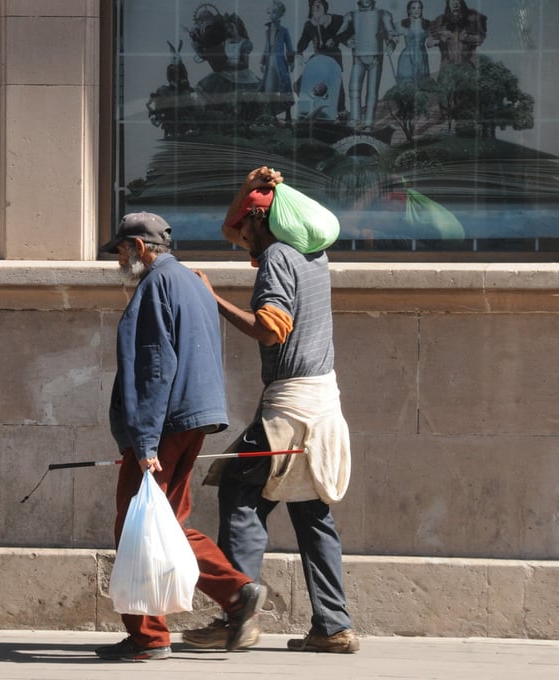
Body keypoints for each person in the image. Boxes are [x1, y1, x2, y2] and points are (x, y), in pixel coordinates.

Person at [184, 167, 359, 654]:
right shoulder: (313, 255)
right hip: (323, 408)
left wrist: (210, 297)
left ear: (263, 221)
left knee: (240, 495)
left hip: (288, 410)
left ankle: (237, 614)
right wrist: (246, 186)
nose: (239, 239)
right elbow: (231, 227)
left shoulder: (278, 257)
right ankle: (333, 626)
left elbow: (270, 329)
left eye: (247, 227)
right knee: (312, 512)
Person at [94, 212, 267, 662]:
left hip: (165, 422)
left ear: (140, 247)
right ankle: (235, 592)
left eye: (121, 250)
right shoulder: (191, 282)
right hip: (193, 416)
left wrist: (145, 442)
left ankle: (149, 637)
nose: (119, 260)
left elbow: (154, 368)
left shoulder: (154, 286)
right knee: (167, 523)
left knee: (136, 527)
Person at [340, 0, 397, 130]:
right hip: (358, 59)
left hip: (375, 58)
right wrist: (347, 41)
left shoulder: (383, 14)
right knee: (353, 89)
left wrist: (391, 44)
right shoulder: (351, 15)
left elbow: (392, 33)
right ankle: (355, 121)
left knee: (372, 92)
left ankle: (368, 123)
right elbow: (340, 33)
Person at [295, 0, 349, 116]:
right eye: (314, 5)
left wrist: (336, 40)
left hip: (333, 57)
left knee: (336, 84)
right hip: (317, 58)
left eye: (320, 4)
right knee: (299, 85)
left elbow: (348, 30)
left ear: (325, 6)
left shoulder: (336, 20)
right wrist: (299, 52)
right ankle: (312, 110)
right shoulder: (309, 25)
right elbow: (303, 41)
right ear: (311, 8)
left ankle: (341, 113)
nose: (317, 6)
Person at [260, 0, 296, 124]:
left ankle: (288, 115)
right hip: (270, 62)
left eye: (275, 12)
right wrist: (262, 62)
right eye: (271, 12)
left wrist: (291, 62)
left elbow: (290, 47)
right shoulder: (267, 29)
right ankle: (272, 115)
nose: (272, 14)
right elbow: (266, 47)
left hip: (280, 61)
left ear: (280, 14)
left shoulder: (284, 30)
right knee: (270, 88)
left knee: (285, 86)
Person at [428, 0, 488, 66]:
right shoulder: (440, 21)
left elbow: (481, 38)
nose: (455, 5)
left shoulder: (472, 19)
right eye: (452, 2)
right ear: (448, 4)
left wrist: (466, 37)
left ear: (462, 3)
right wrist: (438, 39)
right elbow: (429, 43)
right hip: (447, 68)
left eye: (458, 2)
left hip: (468, 67)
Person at [396, 0, 432, 85]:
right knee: (407, 84)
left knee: (422, 84)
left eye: (419, 8)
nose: (416, 10)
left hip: (422, 56)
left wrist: (431, 42)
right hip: (407, 57)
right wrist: (393, 40)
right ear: (409, 10)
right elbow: (392, 34)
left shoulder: (426, 23)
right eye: (413, 8)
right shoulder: (403, 23)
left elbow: (430, 41)